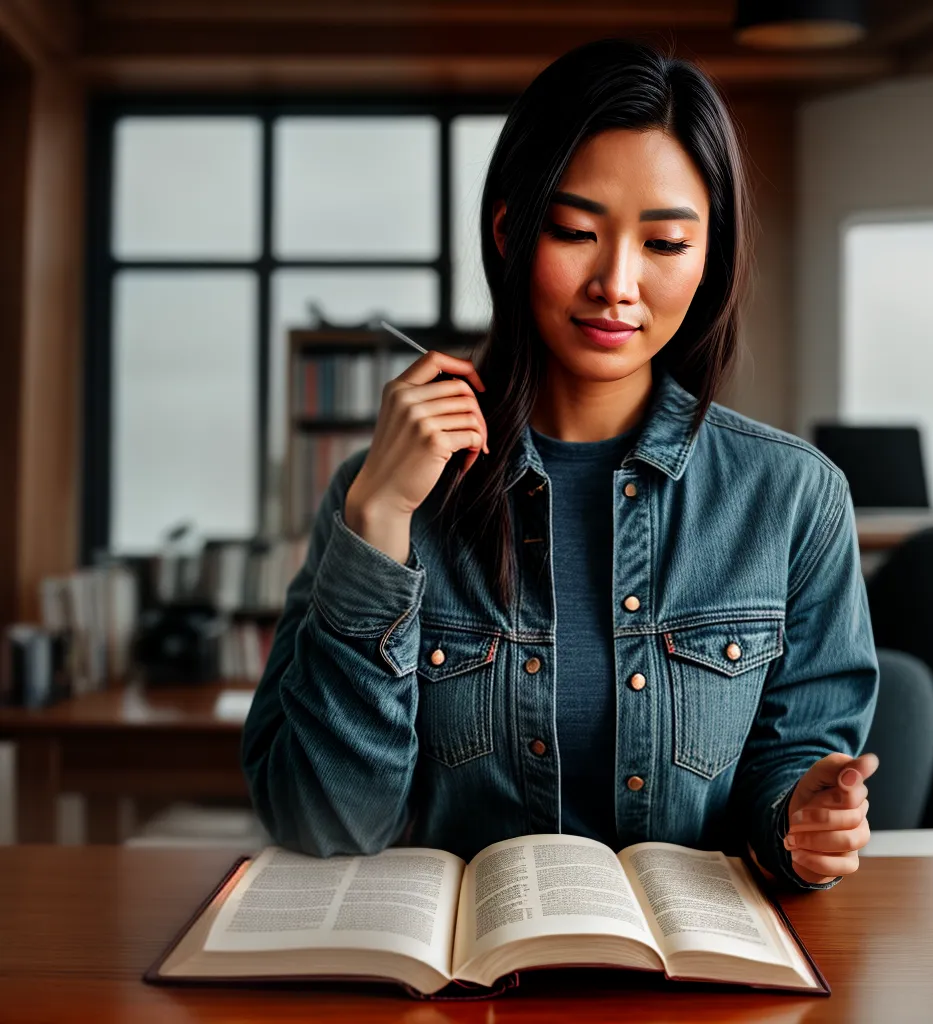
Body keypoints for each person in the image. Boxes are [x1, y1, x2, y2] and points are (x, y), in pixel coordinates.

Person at [242, 37, 879, 891]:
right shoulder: (377, 493)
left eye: (664, 244)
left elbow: (794, 769)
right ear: (509, 232)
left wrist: (801, 817)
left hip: (690, 962)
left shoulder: (796, 497)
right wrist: (379, 524)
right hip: (469, 960)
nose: (616, 282)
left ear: (709, 257)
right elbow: (325, 825)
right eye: (576, 232)